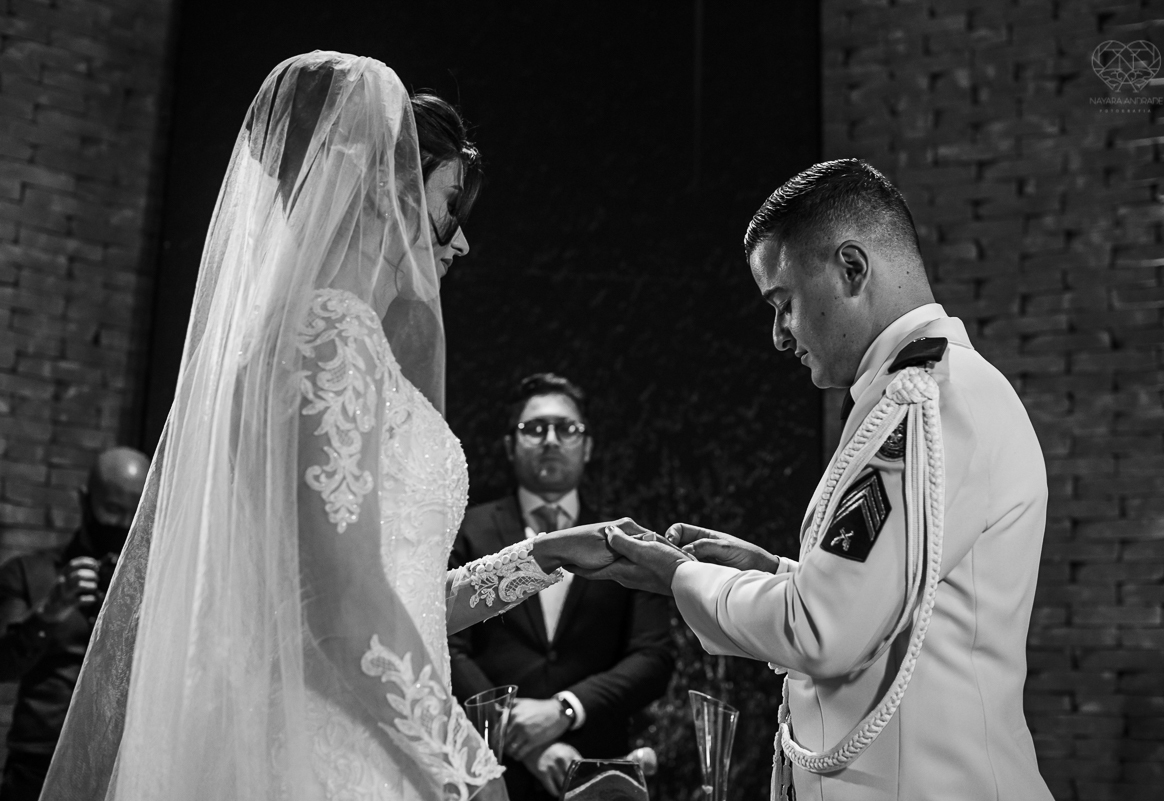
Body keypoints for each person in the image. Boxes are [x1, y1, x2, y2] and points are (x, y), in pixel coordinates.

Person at [38, 52, 623, 801]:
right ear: (383, 193)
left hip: (346, 725)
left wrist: (541, 557)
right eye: (450, 209)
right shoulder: (330, 332)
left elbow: (384, 594)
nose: (462, 241)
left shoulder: (303, 338)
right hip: (332, 755)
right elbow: (343, 611)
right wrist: (468, 769)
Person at [580, 159, 1054, 800]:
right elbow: (880, 607)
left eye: (784, 303)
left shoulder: (927, 403)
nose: (778, 335)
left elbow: (824, 631)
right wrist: (775, 574)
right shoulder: (915, 395)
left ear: (852, 270)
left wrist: (678, 576)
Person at [449, 373, 674, 800]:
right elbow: (447, 644)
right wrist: (520, 737)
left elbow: (654, 655)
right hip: (486, 769)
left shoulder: (624, 537)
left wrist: (565, 709)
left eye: (566, 428)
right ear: (509, 446)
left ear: (587, 447)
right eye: (534, 428)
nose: (550, 439)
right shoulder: (467, 531)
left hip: (596, 768)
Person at [0, 447, 149, 801]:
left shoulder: (153, 585)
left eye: (135, 513)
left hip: (118, 766)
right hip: (37, 764)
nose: (123, 524)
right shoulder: (30, 572)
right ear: (85, 501)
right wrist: (49, 611)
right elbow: (3, 663)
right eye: (112, 510)